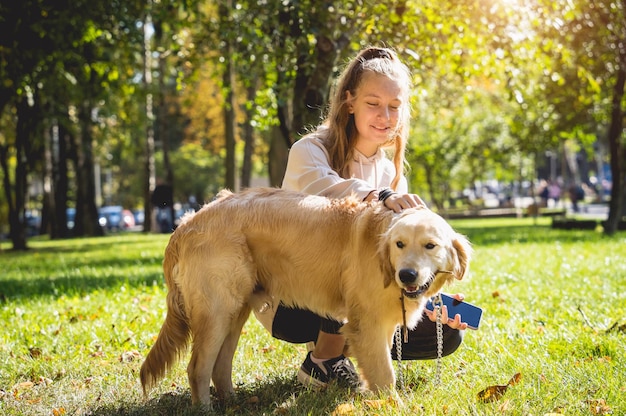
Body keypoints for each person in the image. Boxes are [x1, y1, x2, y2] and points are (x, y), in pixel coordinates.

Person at [251, 46, 468, 389]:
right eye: (373, 103)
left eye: (394, 107)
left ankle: (348, 351)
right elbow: (327, 192)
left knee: (446, 333)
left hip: (361, 299)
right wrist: (382, 196)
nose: (385, 115)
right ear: (349, 102)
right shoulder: (309, 151)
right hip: (290, 297)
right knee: (347, 251)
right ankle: (323, 360)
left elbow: (399, 260)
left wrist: (429, 292)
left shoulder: (392, 174)